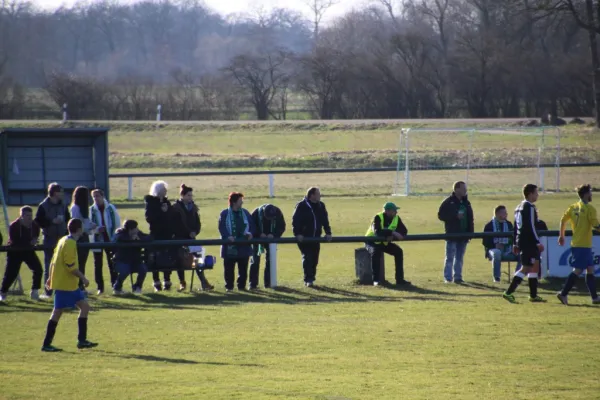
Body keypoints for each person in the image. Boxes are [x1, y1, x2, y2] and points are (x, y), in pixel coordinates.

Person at [41, 218, 98, 352]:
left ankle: (82, 340)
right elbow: (70, 267)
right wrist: (83, 278)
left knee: (85, 306)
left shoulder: (63, 240)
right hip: (65, 284)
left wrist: (50, 277)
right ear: (79, 229)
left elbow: (53, 261)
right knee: (57, 312)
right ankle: (46, 344)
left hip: (69, 284)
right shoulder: (70, 243)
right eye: (82, 226)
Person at [556, 184, 600, 305]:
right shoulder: (590, 209)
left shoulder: (573, 207)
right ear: (586, 194)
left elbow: (563, 220)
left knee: (590, 269)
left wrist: (561, 235)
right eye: (590, 192)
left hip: (577, 243)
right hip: (583, 245)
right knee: (578, 270)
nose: (591, 195)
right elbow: (596, 225)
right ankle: (563, 293)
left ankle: (594, 298)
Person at [502, 184, 546, 303]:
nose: (537, 195)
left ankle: (533, 295)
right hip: (529, 242)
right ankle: (508, 292)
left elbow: (516, 228)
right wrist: (537, 242)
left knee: (535, 265)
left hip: (522, 241)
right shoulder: (529, 207)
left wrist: (516, 243)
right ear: (530, 194)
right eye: (536, 193)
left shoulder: (518, 207)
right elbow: (531, 226)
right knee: (526, 267)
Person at [172, 184, 213, 291]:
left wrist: (195, 232)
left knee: (199, 259)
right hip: (180, 239)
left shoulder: (193, 208)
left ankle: (204, 282)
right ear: (182, 195)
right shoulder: (176, 208)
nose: (190, 198)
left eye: (191, 195)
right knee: (180, 260)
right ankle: (182, 282)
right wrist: (189, 232)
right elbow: (176, 225)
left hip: (192, 239)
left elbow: (198, 223)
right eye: (188, 195)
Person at [35, 182, 70, 298]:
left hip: (62, 239)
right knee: (49, 266)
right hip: (49, 239)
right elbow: (38, 222)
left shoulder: (63, 205)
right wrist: (51, 222)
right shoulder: (43, 206)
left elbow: (68, 219)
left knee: (65, 265)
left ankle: (64, 290)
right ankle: (48, 292)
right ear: (55, 193)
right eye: (60, 192)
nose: (62, 194)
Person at [292, 187, 333, 287]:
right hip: (304, 238)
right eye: (318, 194)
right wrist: (298, 234)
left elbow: (325, 220)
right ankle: (308, 279)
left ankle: (312, 277)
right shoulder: (301, 206)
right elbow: (295, 221)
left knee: (315, 258)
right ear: (312, 195)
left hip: (316, 237)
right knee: (307, 257)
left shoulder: (321, 206)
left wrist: (328, 232)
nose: (320, 195)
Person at [0, 206, 43, 301]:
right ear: (21, 216)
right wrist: (29, 242)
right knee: (11, 274)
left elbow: (36, 236)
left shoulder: (35, 226)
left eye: (31, 215)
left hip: (28, 251)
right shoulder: (14, 226)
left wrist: (35, 240)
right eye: (27, 215)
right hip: (15, 252)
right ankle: (3, 292)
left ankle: (34, 291)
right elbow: (15, 241)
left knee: (38, 269)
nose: (30, 218)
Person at [364, 202, 410, 286]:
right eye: (394, 210)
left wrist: (392, 235)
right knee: (376, 253)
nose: (396, 212)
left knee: (399, 252)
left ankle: (400, 280)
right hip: (371, 241)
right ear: (387, 211)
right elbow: (377, 232)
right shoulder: (378, 217)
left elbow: (404, 231)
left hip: (384, 243)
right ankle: (376, 280)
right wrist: (392, 233)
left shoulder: (396, 218)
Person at [218, 192, 256, 292]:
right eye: (240, 201)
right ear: (234, 202)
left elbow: (252, 226)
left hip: (244, 247)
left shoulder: (245, 213)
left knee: (243, 269)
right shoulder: (224, 214)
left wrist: (250, 233)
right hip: (229, 248)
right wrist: (227, 236)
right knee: (229, 269)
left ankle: (241, 287)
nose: (242, 203)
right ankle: (229, 287)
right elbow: (222, 228)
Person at [438, 181, 474, 284]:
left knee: (459, 257)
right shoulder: (448, 202)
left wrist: (470, 232)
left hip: (464, 235)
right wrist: (454, 216)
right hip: (452, 234)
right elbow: (441, 215)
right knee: (450, 257)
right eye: (463, 188)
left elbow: (470, 218)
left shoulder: (466, 202)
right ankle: (448, 278)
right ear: (456, 189)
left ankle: (458, 277)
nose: (465, 190)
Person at [144, 180, 175, 292]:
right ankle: (156, 282)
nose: (165, 191)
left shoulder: (167, 202)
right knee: (155, 258)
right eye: (163, 189)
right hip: (156, 234)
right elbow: (149, 218)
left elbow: (171, 216)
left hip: (167, 234)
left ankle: (167, 281)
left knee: (167, 258)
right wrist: (161, 212)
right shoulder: (151, 202)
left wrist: (167, 211)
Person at [89, 189, 121, 295]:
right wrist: (97, 230)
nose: (96, 198)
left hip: (110, 240)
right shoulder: (91, 210)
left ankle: (115, 285)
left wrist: (115, 237)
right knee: (97, 264)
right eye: (94, 197)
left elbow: (117, 223)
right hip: (97, 240)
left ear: (103, 196)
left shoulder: (111, 208)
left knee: (112, 263)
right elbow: (89, 226)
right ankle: (100, 287)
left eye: (97, 196)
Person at [249, 204, 286, 289]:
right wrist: (258, 234)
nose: (270, 219)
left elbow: (282, 227)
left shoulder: (278, 212)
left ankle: (268, 283)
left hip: (271, 241)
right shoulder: (256, 213)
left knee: (270, 261)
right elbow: (251, 227)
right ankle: (252, 284)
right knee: (255, 261)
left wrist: (274, 235)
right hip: (257, 240)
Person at [482, 205, 521, 283]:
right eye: (504, 213)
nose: (506, 214)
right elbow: (485, 241)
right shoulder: (489, 225)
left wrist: (512, 245)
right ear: (497, 214)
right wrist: (495, 245)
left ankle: (517, 276)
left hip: (508, 250)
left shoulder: (509, 224)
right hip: (493, 249)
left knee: (522, 254)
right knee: (497, 253)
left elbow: (514, 238)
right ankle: (497, 278)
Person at [70, 186, 96, 293]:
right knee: (79, 263)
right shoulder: (75, 208)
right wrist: (89, 227)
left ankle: (81, 286)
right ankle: (78, 286)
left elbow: (85, 223)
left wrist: (92, 225)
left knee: (83, 263)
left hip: (85, 237)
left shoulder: (84, 208)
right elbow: (77, 226)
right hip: (79, 238)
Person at [112, 220, 150, 295]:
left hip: (136, 261)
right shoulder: (120, 233)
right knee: (125, 270)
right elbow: (118, 239)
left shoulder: (138, 233)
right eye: (135, 228)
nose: (137, 229)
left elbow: (149, 237)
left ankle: (137, 287)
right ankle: (117, 288)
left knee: (143, 269)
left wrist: (139, 239)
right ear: (130, 229)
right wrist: (131, 239)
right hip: (122, 261)